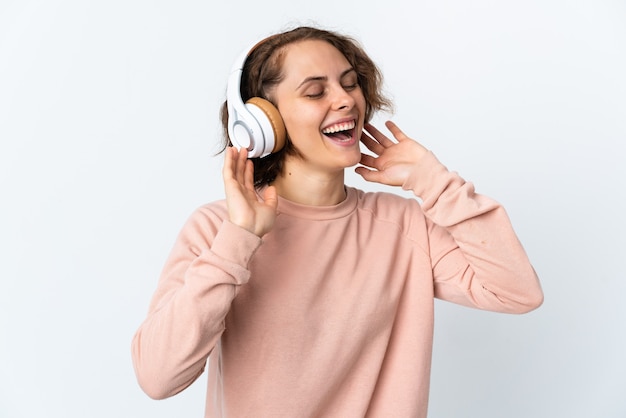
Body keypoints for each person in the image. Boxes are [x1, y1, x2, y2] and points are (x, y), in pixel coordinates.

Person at [131, 25, 543, 417]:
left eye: (349, 83)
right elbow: (158, 377)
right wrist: (238, 239)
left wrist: (435, 183)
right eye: (315, 91)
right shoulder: (218, 230)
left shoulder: (403, 226)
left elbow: (517, 292)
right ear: (262, 124)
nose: (345, 99)